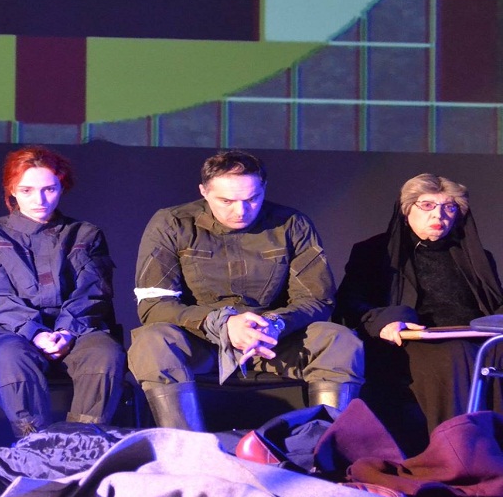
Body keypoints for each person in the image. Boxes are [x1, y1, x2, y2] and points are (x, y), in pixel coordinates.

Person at [129, 150, 363, 430]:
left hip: (271, 341)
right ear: (204, 192)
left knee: (339, 340)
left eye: (252, 198)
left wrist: (275, 323)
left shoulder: (291, 223)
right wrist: (223, 324)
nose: (241, 211)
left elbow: (317, 299)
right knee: (152, 342)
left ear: (264, 188)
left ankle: (326, 444)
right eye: (226, 201)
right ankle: (186, 446)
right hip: (203, 342)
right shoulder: (172, 223)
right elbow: (154, 305)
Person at [336, 174, 503, 455]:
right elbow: (351, 302)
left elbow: (496, 301)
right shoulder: (374, 252)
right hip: (410, 342)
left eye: (449, 207)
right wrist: (385, 320)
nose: (439, 215)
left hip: (474, 336)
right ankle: (455, 454)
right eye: (427, 205)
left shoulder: (477, 256)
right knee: (455, 354)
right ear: (407, 209)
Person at [0, 146, 125, 437]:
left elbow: (92, 292)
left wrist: (66, 331)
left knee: (105, 354)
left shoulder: (85, 233)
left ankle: (82, 441)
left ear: (61, 187)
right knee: (9, 358)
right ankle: (35, 442)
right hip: (13, 331)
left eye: (49, 189)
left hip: (79, 330)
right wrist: (35, 332)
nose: (39, 200)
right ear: (12, 191)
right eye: (27, 191)